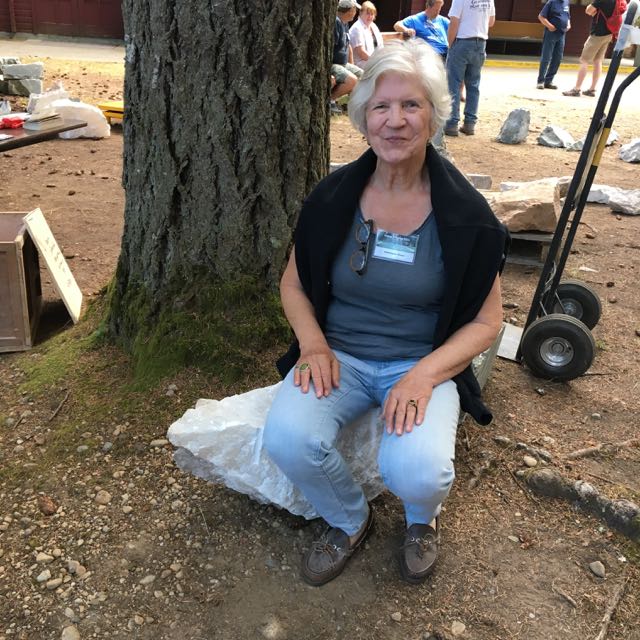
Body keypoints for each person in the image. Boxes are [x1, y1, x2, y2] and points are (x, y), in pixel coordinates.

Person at [263, 40, 508, 587]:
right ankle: (350, 520)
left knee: (418, 471)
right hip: (339, 356)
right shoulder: (332, 198)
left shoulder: (466, 215)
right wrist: (313, 345)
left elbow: (488, 322)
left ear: (433, 115)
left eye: (411, 105)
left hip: (422, 360)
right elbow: (294, 284)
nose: (395, 120)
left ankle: (422, 522)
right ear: (363, 117)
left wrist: (424, 375)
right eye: (381, 106)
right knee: (286, 439)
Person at [444, 0, 496, 137]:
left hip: (462, 41)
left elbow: (454, 22)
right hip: (481, 43)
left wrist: (449, 45)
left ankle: (452, 123)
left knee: (453, 83)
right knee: (473, 85)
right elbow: (491, 22)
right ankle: (470, 123)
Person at [563, 1, 620, 97]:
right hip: (609, 33)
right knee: (598, 61)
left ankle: (576, 89)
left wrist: (594, 9)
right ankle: (592, 89)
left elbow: (588, 10)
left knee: (584, 60)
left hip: (597, 34)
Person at [331, 0, 363, 110]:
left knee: (364, 76)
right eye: (355, 10)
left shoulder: (345, 23)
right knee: (352, 80)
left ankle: (351, 103)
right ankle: (330, 101)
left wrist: (351, 64)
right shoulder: (336, 23)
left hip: (343, 63)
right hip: (334, 64)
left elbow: (347, 46)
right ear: (350, 10)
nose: (356, 13)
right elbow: (331, 48)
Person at [537, 0, 571, 90]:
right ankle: (540, 81)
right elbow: (541, 16)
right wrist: (549, 26)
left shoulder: (566, 2)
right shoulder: (551, 2)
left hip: (562, 34)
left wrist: (568, 24)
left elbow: (567, 16)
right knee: (546, 57)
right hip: (551, 33)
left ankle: (548, 81)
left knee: (558, 58)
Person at [349, 1, 384, 70]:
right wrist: (376, 61)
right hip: (361, 63)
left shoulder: (373, 26)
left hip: (372, 61)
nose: (370, 16)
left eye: (372, 14)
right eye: (367, 13)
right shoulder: (357, 28)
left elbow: (381, 46)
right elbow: (361, 53)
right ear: (361, 13)